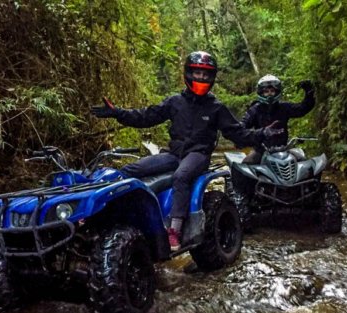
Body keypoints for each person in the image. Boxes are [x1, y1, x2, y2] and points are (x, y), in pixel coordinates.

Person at [90, 51, 281, 251]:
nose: (201, 78)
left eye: (206, 74)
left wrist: (262, 133)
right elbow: (146, 116)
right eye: (197, 73)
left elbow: (238, 134)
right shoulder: (175, 102)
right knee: (131, 169)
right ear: (188, 73)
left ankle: (174, 230)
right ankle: (100, 214)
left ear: (212, 77)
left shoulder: (216, 107)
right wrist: (117, 113)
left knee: (181, 177)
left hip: (199, 155)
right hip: (174, 154)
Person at [240, 74, 315, 164]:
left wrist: (309, 95)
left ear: (277, 92)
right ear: (261, 93)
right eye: (266, 91)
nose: (269, 94)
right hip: (261, 151)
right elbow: (243, 126)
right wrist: (248, 138)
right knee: (245, 164)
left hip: (283, 149)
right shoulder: (255, 109)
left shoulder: (284, 107)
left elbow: (302, 109)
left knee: (305, 162)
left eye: (272, 91)